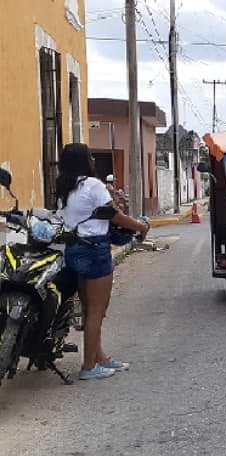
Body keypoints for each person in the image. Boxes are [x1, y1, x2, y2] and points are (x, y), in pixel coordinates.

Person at [57, 143, 150, 381]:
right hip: (95, 251)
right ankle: (89, 366)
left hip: (74, 249)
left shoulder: (65, 187)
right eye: (90, 156)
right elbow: (114, 215)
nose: (93, 160)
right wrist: (140, 226)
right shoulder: (94, 185)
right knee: (98, 311)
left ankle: (101, 357)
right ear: (84, 160)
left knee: (90, 310)